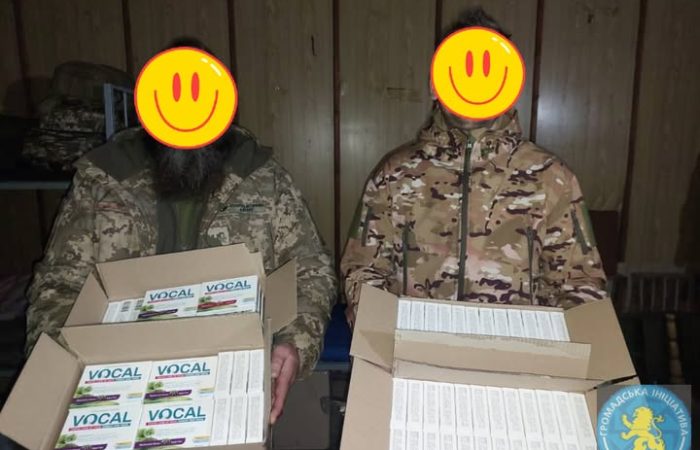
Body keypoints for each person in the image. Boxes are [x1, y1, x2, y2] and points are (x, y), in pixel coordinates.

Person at [25, 37, 337, 424]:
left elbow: (310, 272)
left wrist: (294, 343)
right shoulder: (104, 179)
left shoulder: (262, 178)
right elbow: (59, 285)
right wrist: (64, 366)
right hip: (119, 379)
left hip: (230, 374)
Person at [340, 7, 606, 327]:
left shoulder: (551, 179)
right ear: (434, 84)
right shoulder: (393, 176)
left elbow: (581, 285)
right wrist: (376, 323)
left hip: (517, 352)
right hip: (418, 348)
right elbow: (364, 269)